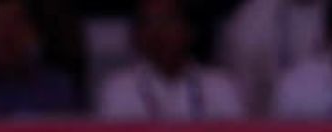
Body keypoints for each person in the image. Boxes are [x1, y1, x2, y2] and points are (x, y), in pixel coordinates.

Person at [98, 0, 244, 121]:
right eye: (149, 23)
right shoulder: (118, 89)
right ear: (136, 34)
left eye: (167, 21)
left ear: (189, 30)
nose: (158, 32)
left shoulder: (219, 87)